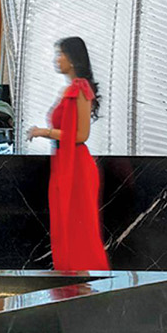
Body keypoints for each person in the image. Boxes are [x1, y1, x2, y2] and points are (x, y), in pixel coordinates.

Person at [27, 36, 109, 272]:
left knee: (79, 232)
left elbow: (82, 134)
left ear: (72, 59)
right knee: (65, 228)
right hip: (63, 163)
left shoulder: (80, 89)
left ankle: (85, 284)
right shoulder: (69, 90)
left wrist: (44, 132)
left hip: (76, 166)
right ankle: (71, 282)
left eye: (61, 54)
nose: (57, 59)